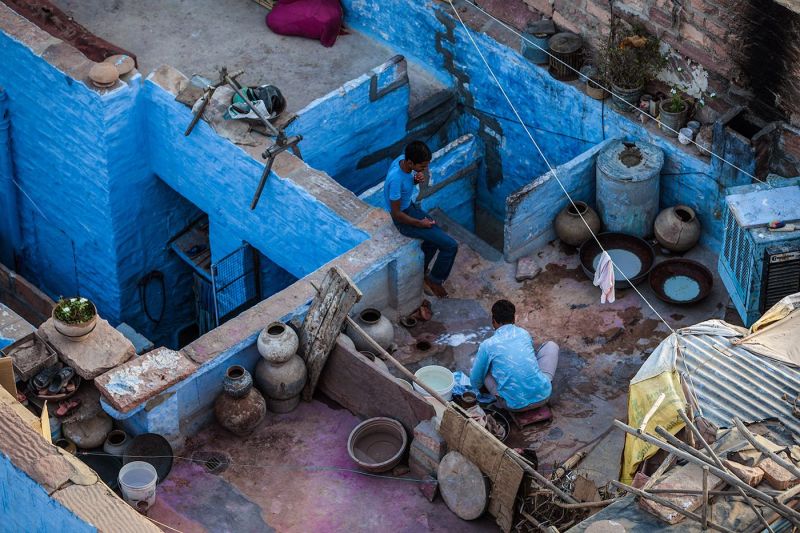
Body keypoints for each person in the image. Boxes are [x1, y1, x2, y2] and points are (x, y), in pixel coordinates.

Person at [385, 141, 458, 298]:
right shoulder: (395, 179)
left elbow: (407, 184)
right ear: (411, 162)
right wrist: (420, 223)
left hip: (410, 208)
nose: (425, 169)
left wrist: (415, 180)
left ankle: (421, 270)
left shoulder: (402, 159)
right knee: (451, 245)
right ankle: (435, 280)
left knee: (435, 236)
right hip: (403, 220)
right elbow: (396, 214)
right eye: (422, 166)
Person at [470, 299, 559, 411]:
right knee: (551, 346)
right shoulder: (524, 333)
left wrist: (481, 386)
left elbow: (475, 381)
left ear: (493, 321)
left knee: (483, 368)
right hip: (543, 396)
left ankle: (503, 398)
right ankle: (538, 385)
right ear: (513, 319)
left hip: (512, 405)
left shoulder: (487, 345)